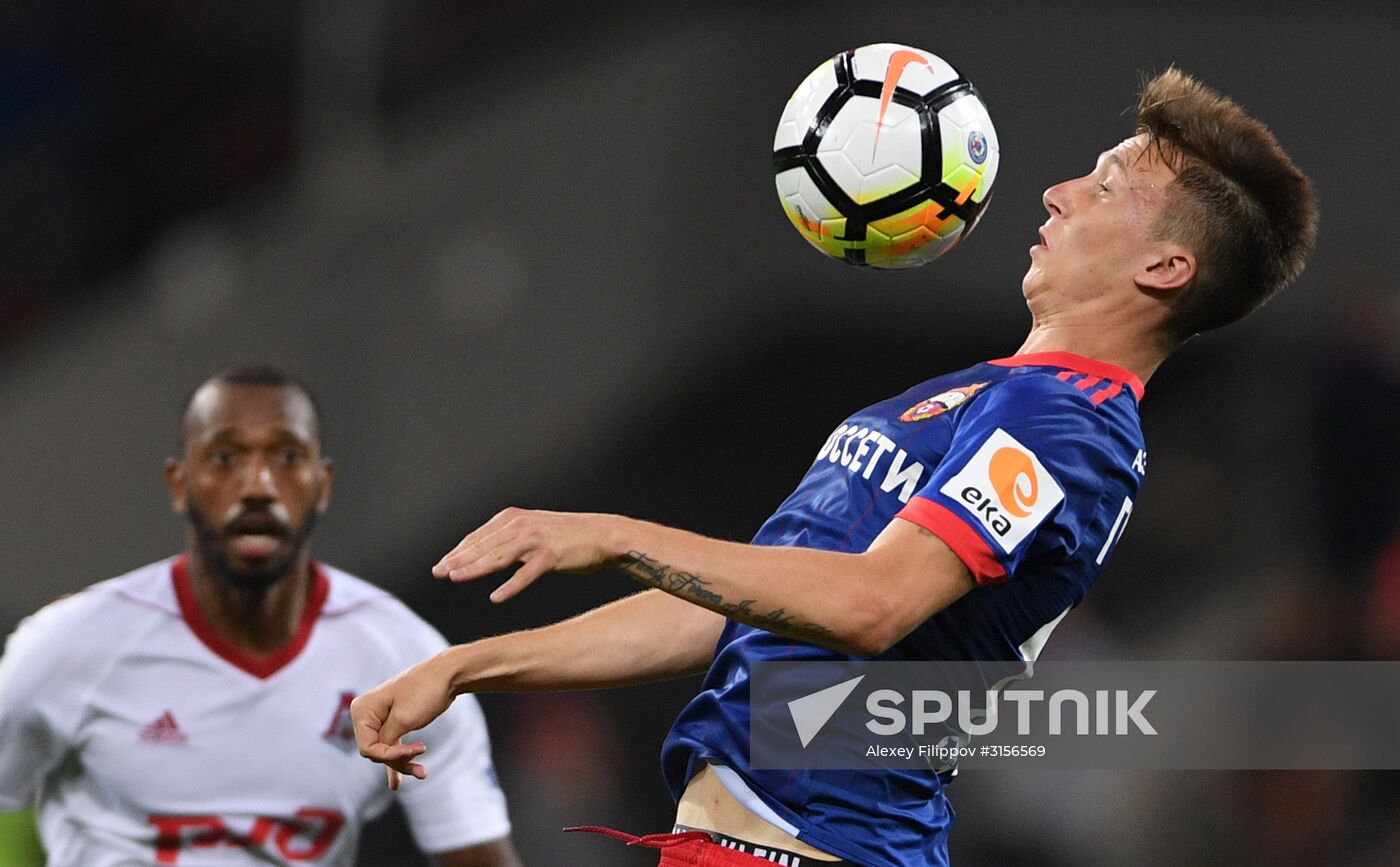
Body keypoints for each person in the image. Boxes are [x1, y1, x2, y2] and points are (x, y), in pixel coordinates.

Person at [349, 68, 1317, 867]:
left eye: (1102, 188)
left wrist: (611, 534)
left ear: (1164, 269)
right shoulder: (980, 396)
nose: (1056, 194)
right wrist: (470, 666)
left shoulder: (1068, 426)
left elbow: (872, 603)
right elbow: (726, 606)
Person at [0, 365, 521, 867]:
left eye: (288, 457)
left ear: (323, 483)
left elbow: (477, 852)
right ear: (179, 484)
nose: (258, 485)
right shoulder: (70, 644)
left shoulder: (405, 659)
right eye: (225, 457)